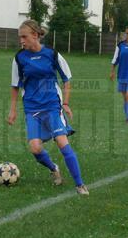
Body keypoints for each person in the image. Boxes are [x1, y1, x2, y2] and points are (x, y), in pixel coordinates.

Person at [7, 20, 88, 196]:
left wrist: (65, 103)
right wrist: (12, 110)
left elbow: (67, 79)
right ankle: (53, 168)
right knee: (35, 148)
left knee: (62, 142)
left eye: (24, 37)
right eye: (20, 37)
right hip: (32, 108)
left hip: (52, 105)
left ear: (35, 35)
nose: (21, 41)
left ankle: (80, 185)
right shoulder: (19, 58)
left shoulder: (52, 54)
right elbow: (15, 85)